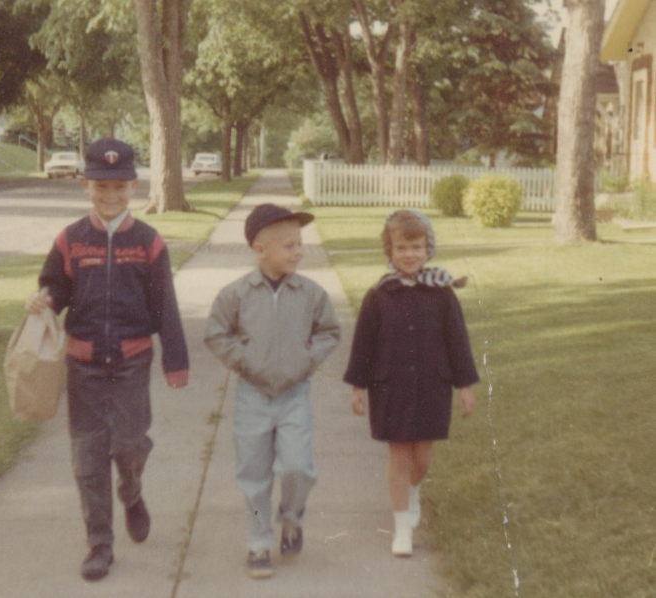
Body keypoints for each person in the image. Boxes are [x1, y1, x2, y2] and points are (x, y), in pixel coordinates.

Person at [26, 138, 189, 581]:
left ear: (132, 186)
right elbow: (56, 286)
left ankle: (131, 491)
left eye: (119, 186)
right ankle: (100, 542)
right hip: (83, 365)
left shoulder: (149, 242)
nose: (110, 195)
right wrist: (45, 298)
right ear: (86, 186)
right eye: (101, 187)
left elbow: (165, 307)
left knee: (131, 443)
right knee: (87, 455)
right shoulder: (71, 240)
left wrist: (176, 360)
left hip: (133, 362)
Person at [204, 204, 340, 579]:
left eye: (300, 244)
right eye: (288, 246)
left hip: (294, 395)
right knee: (253, 473)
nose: (298, 252)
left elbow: (329, 332)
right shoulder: (237, 294)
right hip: (253, 396)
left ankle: (292, 517)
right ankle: (258, 541)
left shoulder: (310, 293)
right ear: (260, 249)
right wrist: (244, 359)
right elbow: (216, 333)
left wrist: (307, 360)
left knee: (297, 465)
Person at [343, 209, 478, 558]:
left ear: (427, 248)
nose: (409, 255)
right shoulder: (379, 295)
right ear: (389, 251)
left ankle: (413, 492)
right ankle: (402, 526)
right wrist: (358, 386)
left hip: (432, 385)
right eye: (402, 248)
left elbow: (457, 342)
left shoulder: (442, 293)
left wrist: (465, 386)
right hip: (390, 387)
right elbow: (363, 344)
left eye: (416, 247)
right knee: (399, 454)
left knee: (422, 458)